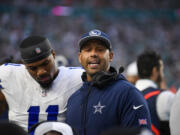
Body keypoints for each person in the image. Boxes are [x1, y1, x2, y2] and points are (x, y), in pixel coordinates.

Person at [66, 29, 151, 135]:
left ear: (110, 56)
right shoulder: (73, 99)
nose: (93, 54)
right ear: (80, 57)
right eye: (88, 50)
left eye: (100, 50)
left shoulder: (128, 93)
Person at [0, 36, 84, 132]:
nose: (41, 72)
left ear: (53, 54)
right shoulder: (9, 74)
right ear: (24, 64)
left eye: (45, 63)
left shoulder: (77, 77)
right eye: (33, 68)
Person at [135, 50, 175, 135]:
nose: (162, 74)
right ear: (155, 71)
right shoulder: (165, 96)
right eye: (161, 70)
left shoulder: (124, 96)